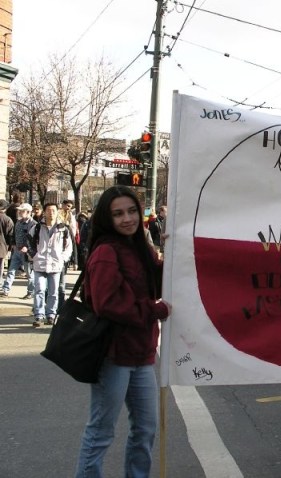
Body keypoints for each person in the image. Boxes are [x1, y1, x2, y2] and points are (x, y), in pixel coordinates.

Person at [74, 186, 170, 478]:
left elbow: (157, 285)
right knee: (101, 432)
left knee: (146, 429)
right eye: (118, 213)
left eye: (131, 211)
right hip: (113, 355)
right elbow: (108, 304)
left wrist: (169, 257)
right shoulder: (106, 251)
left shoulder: (139, 246)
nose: (127, 218)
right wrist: (154, 311)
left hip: (141, 353)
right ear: (107, 217)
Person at [28, 202, 72, 327]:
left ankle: (51, 315)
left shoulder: (63, 228)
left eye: (53, 210)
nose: (51, 213)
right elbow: (29, 241)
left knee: (53, 292)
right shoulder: (37, 228)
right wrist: (34, 255)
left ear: (57, 212)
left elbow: (69, 246)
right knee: (39, 290)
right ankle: (39, 316)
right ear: (44, 212)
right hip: (40, 263)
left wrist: (63, 258)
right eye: (48, 210)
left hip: (55, 264)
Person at [1, 203, 35, 299]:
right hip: (16, 251)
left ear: (28, 212)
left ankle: (30, 292)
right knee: (11, 271)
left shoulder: (34, 224)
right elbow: (14, 234)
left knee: (29, 273)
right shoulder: (18, 223)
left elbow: (35, 240)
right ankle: (5, 290)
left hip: (27, 253)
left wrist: (28, 249)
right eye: (19, 210)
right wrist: (13, 244)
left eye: (22, 211)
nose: (19, 212)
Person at [0, 199, 14, 280]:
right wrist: (9, 248)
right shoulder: (7, 220)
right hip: (2, 246)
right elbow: (10, 235)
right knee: (1, 264)